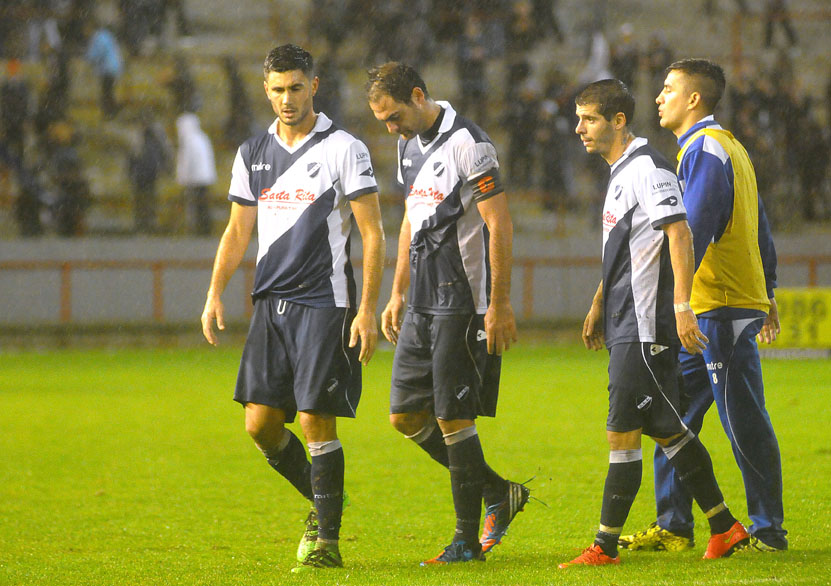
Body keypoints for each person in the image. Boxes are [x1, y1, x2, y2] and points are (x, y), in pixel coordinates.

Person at [200, 44, 385, 573]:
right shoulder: (252, 152)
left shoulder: (344, 148)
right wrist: (214, 292)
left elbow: (372, 233)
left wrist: (367, 309)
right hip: (270, 303)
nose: (287, 99)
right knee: (259, 425)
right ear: (266, 90)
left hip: (325, 302)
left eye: (296, 88)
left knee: (313, 419)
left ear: (314, 86)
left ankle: (327, 539)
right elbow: (238, 231)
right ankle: (324, 498)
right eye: (278, 89)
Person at [560, 79, 750, 569]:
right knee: (667, 428)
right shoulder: (622, 171)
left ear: (618, 120)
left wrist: (682, 305)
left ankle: (604, 546)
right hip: (626, 320)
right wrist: (599, 302)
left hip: (644, 326)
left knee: (623, 432)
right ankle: (725, 526)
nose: (579, 128)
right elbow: (627, 250)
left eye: (589, 119)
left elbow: (679, 234)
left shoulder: (648, 167)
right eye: (579, 118)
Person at [620, 58, 787, 553]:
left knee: (743, 419)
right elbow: (759, 225)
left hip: (718, 306)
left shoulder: (706, 149)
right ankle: (674, 524)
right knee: (669, 416)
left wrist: (677, 302)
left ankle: (767, 531)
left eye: (668, 89)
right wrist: (768, 290)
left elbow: (694, 230)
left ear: (694, 99)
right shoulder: (726, 146)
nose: (658, 98)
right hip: (715, 303)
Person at [366, 61, 527, 566]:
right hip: (420, 300)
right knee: (404, 416)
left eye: (394, 116)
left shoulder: (470, 143)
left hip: (461, 301)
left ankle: (464, 541)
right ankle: (498, 491)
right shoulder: (407, 145)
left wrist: (499, 303)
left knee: (453, 417)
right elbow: (411, 219)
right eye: (383, 121)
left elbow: (499, 224)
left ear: (418, 96)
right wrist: (396, 292)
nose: (390, 129)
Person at [175, 110, 216, 235]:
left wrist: (182, 179)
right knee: (203, 205)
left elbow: (186, 162)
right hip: (205, 177)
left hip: (195, 179)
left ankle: (199, 230)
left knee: (196, 206)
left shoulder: (189, 140)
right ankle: (205, 229)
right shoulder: (202, 137)